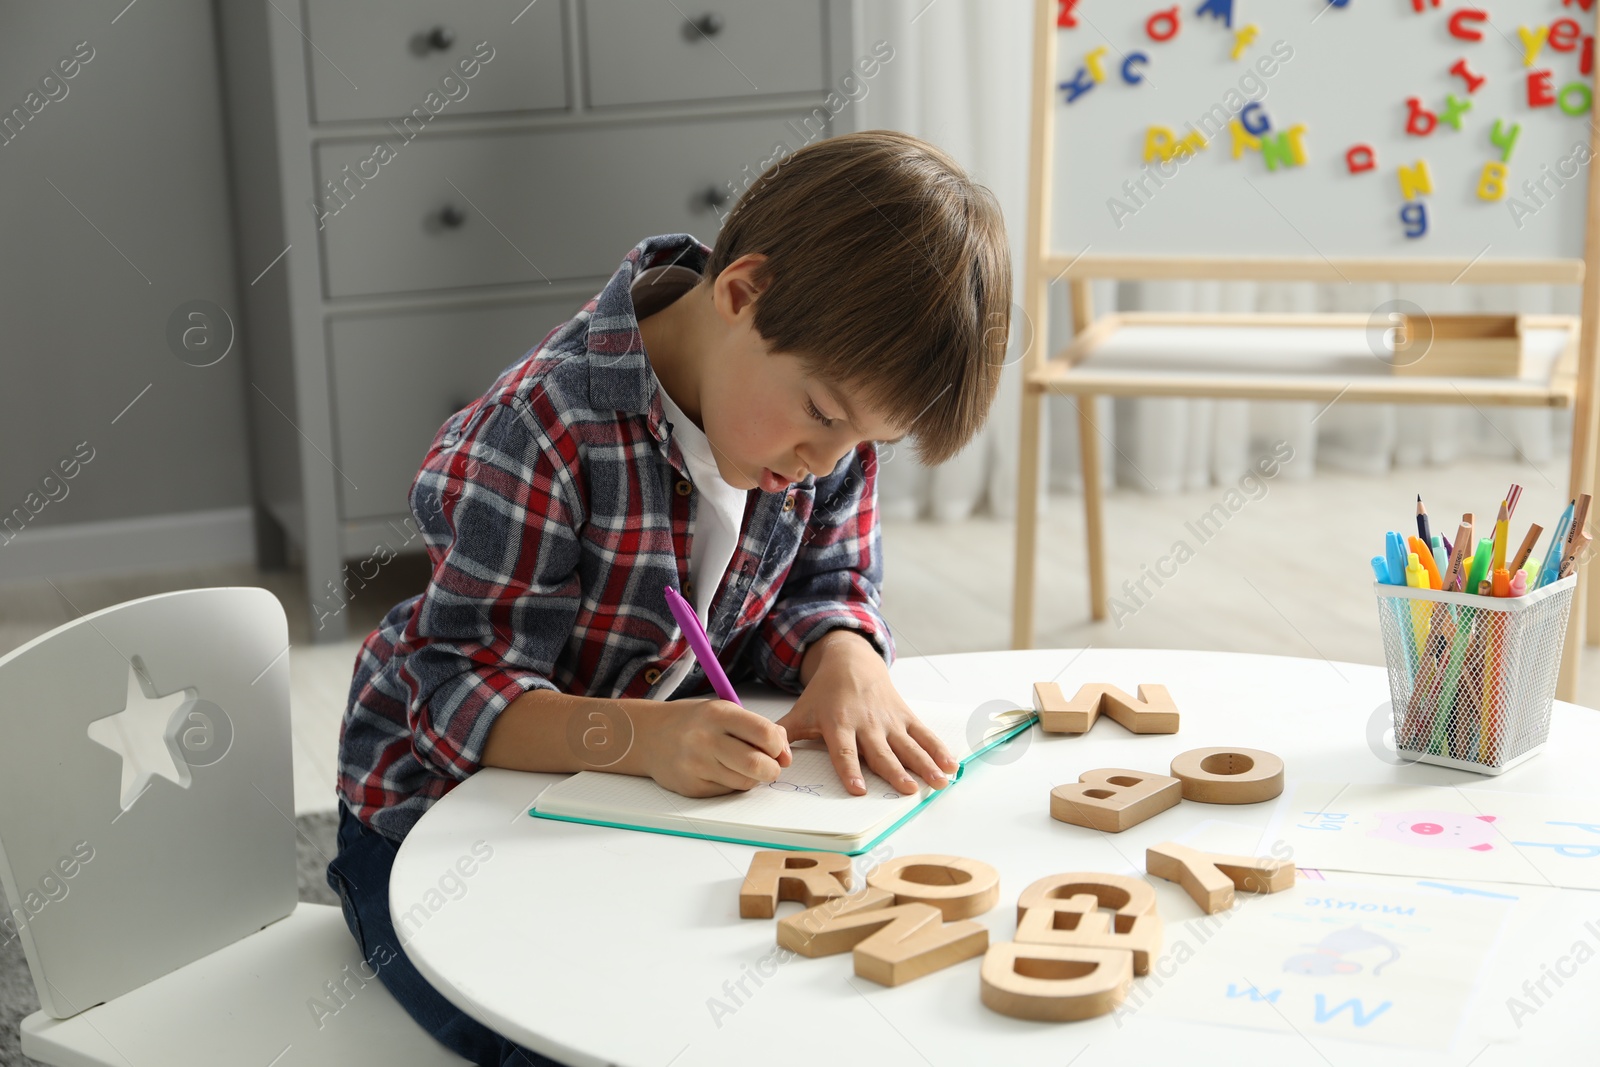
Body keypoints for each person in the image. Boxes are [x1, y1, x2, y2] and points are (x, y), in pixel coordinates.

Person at [326, 129, 1012, 1064]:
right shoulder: (539, 431)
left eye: (868, 443)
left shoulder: (813, 429)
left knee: (782, 1010)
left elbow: (824, 585)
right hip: (433, 827)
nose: (829, 464)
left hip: (633, 809)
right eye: (822, 416)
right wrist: (643, 738)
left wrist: (845, 655)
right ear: (741, 294)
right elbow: (454, 695)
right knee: (564, 1040)